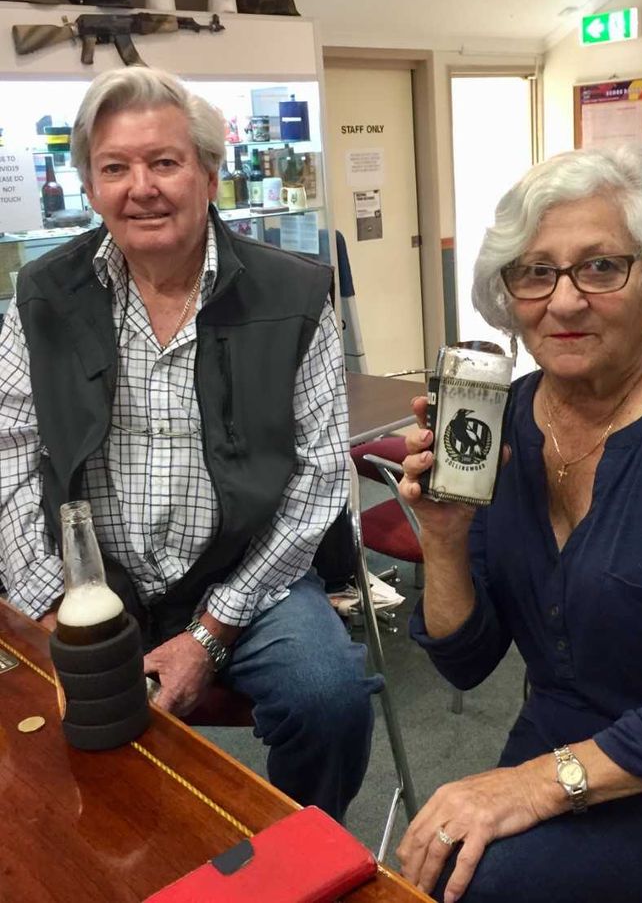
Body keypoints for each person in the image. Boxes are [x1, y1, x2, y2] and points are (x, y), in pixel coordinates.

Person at [396, 145, 642, 902]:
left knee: (483, 884)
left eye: (601, 268)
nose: (565, 300)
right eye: (536, 271)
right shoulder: (505, 422)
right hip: (565, 742)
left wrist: (535, 786)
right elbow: (464, 663)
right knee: (450, 861)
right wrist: (444, 540)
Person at [0, 66, 380, 823]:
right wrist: (51, 605)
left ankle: (299, 857)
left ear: (208, 174)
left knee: (330, 697)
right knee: (40, 725)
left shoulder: (294, 294)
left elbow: (318, 481)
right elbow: (8, 452)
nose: (141, 186)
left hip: (245, 576)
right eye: (115, 167)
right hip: (94, 584)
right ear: (89, 186)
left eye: (164, 162)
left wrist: (212, 631)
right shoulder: (41, 297)